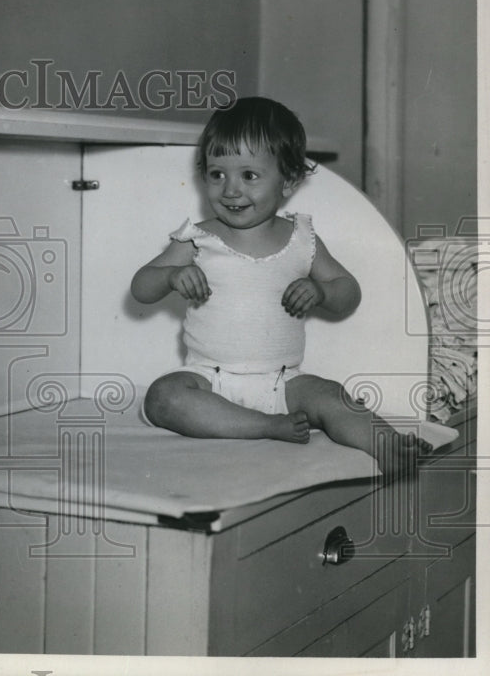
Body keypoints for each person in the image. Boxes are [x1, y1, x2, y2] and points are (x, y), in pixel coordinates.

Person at [130, 97, 430, 475]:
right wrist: (171, 276)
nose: (230, 190)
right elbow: (141, 287)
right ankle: (264, 427)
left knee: (332, 395)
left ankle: (387, 446)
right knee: (164, 397)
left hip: (284, 381)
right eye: (217, 174)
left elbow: (347, 292)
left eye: (249, 176)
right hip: (210, 380)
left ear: (288, 180)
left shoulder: (301, 239)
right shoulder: (196, 239)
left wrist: (321, 291)